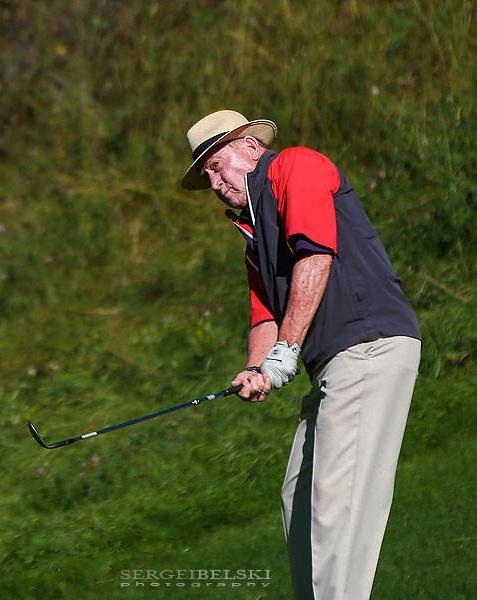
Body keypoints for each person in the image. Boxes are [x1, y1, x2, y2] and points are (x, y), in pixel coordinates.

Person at [180, 110, 421, 600]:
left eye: (216, 165)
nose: (214, 183)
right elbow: (265, 316)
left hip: (368, 347)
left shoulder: (296, 165)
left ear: (250, 147)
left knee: (335, 505)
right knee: (301, 495)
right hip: (335, 365)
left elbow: (315, 256)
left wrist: (286, 351)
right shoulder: (253, 234)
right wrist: (257, 369)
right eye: (206, 175)